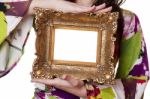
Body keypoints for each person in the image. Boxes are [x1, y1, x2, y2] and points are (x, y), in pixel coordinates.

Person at [0, 0, 149, 99]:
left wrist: (88, 91)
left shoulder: (126, 19)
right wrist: (37, 4)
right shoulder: (44, 11)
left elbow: (138, 79)